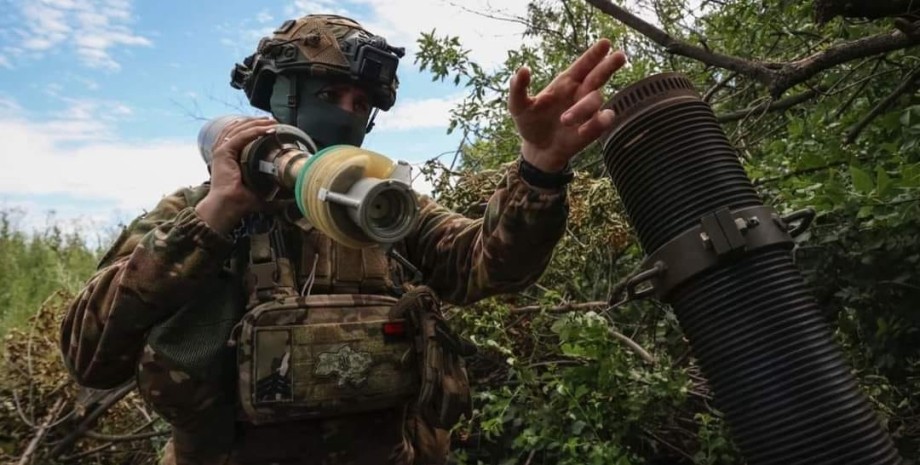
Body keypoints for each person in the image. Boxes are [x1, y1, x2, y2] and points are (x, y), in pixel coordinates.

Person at [59, 13, 627, 465]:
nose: (349, 117)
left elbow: (490, 265)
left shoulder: (381, 207)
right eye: (333, 96)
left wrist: (540, 170)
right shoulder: (193, 213)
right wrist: (215, 217)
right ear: (283, 98)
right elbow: (91, 357)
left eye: (363, 106)